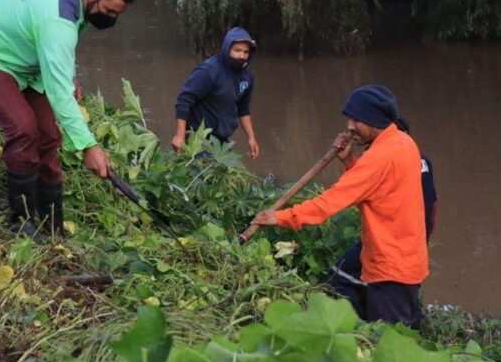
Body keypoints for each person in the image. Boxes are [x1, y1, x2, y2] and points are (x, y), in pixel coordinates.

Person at [0, 0, 136, 237]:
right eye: (109, 11)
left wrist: (69, 73)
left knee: (49, 136)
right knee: (24, 129)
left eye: (117, 14)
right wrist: (88, 146)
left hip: (26, 59)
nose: (111, 19)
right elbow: (60, 93)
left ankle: (52, 227)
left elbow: (63, 46)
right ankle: (22, 225)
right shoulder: (57, 19)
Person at [252, 85, 428, 328]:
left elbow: (329, 203)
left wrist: (280, 217)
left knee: (390, 344)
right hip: (407, 259)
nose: (350, 126)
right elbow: (377, 187)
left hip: (391, 269)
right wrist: (348, 161)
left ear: (374, 120)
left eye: (356, 119)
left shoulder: (378, 158)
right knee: (401, 331)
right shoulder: (404, 142)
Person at [326, 115, 438, 314]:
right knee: (403, 297)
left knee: (339, 277)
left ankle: (357, 326)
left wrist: (283, 217)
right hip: (413, 244)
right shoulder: (420, 159)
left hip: (391, 242)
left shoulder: (390, 159)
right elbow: (432, 204)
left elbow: (351, 193)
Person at [172, 27, 259, 158]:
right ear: (227, 48)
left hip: (221, 141)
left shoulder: (247, 77)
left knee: (226, 175)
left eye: (246, 52)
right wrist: (180, 135)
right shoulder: (208, 71)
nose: (242, 56)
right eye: (237, 50)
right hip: (197, 138)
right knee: (202, 176)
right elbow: (184, 100)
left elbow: (243, 108)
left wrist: (251, 138)